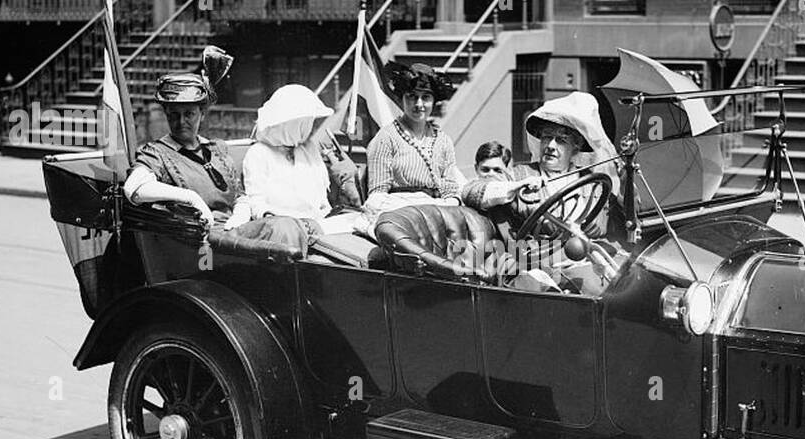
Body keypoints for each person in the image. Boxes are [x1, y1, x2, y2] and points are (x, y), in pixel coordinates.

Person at [460, 92, 619, 293]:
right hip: (533, 268)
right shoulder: (521, 174)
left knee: (607, 288)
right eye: (546, 138)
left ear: (576, 147)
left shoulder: (593, 184)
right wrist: (515, 187)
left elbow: (619, 226)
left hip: (583, 266)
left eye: (561, 140)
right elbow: (470, 191)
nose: (551, 146)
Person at [123, 48, 240, 231]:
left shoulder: (217, 149)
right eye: (173, 115)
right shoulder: (157, 153)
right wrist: (189, 197)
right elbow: (134, 189)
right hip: (199, 240)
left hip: (235, 231)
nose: (181, 122)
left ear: (202, 114)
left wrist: (241, 213)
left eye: (189, 114)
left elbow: (239, 195)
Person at [226, 84, 362, 236]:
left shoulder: (308, 149)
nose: (312, 128)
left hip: (319, 224)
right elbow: (256, 202)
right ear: (290, 125)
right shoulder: (258, 153)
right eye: (307, 123)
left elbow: (322, 200)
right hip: (284, 229)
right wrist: (273, 219)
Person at [365, 62, 465, 214]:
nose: (419, 104)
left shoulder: (443, 140)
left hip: (438, 213)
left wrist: (443, 204)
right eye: (412, 97)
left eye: (425, 97)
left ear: (434, 101)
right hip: (399, 214)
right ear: (401, 99)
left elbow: (451, 190)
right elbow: (377, 194)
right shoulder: (386, 137)